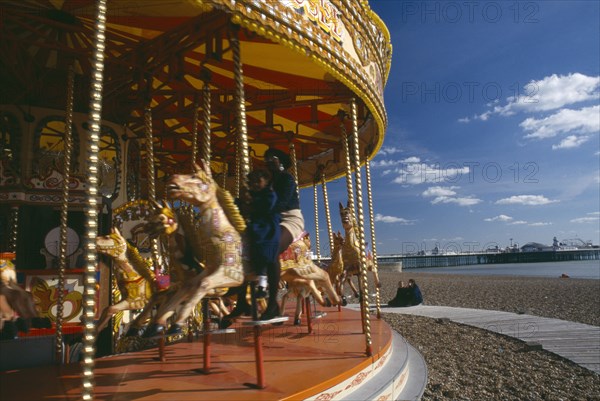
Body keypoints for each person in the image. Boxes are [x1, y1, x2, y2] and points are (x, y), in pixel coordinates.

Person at [245, 169, 281, 298]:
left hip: (267, 229)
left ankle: (262, 285)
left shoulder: (269, 194)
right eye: (252, 182)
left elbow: (267, 207)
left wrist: (251, 204)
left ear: (265, 182)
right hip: (255, 228)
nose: (255, 184)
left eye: (258, 181)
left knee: (264, 254)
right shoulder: (254, 195)